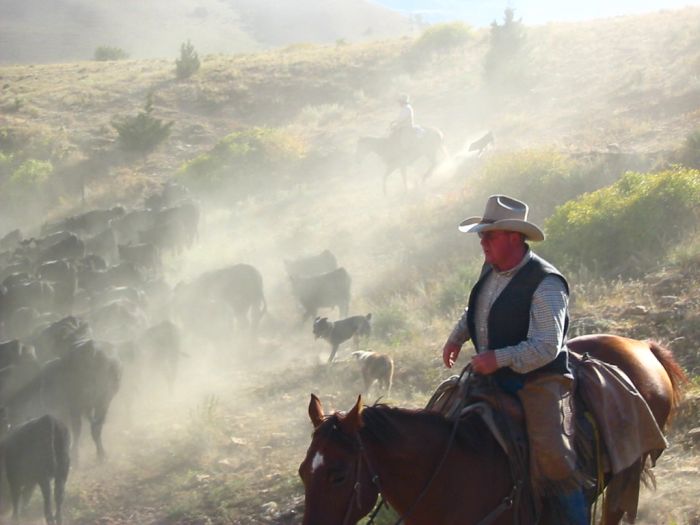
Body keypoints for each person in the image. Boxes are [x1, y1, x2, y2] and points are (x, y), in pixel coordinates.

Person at [441, 194, 587, 525]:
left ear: (512, 237)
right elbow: (478, 307)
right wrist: (456, 336)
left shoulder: (546, 283)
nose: (482, 242)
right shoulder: (490, 270)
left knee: (554, 460)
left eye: (488, 235)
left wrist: (499, 358)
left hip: (538, 379)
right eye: (481, 235)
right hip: (493, 374)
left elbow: (547, 346)